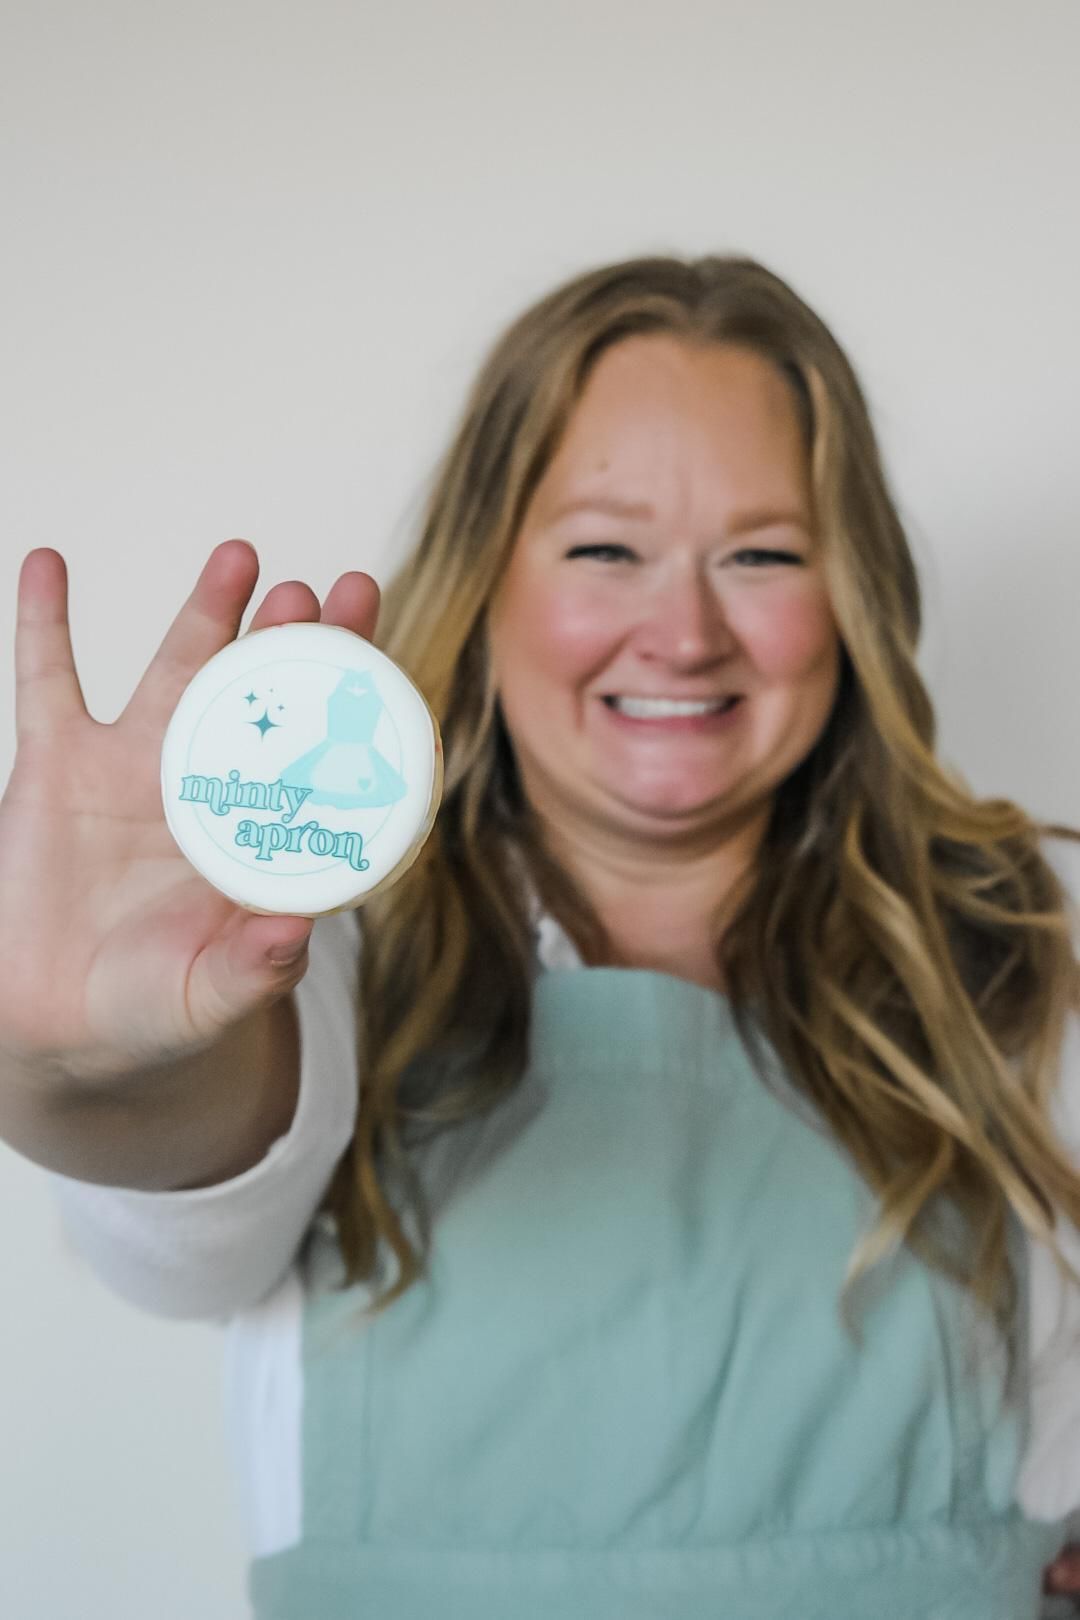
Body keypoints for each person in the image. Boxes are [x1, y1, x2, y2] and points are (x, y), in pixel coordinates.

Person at [5, 252, 1080, 1618]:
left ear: (851, 594)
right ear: (490, 573)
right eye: (605, 550)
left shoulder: (1019, 951)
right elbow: (185, 1213)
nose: (683, 632)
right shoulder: (323, 947)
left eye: (761, 553)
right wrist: (74, 1063)